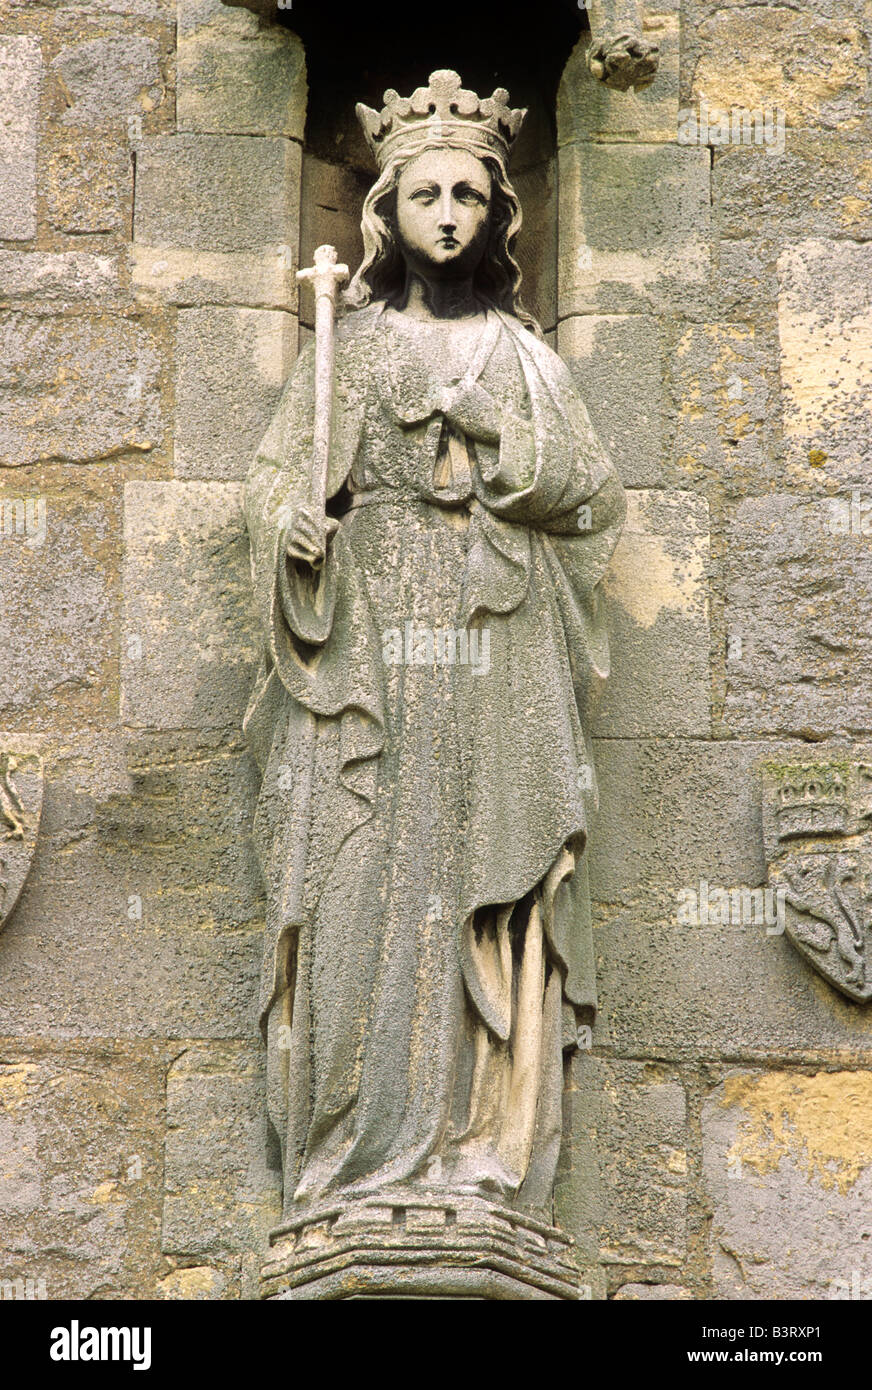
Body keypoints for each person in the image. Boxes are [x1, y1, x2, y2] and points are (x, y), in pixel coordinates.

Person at [244, 70, 626, 1219]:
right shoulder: (347, 351)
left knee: (481, 882)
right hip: (370, 646)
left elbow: (590, 498)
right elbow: (275, 485)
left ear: (498, 215)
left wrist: (495, 433)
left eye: (470, 194)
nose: (450, 213)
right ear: (387, 212)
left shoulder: (526, 359)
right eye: (427, 195)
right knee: (364, 884)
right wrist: (294, 528)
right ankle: (360, 1152)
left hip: (497, 649)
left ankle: (479, 1142)